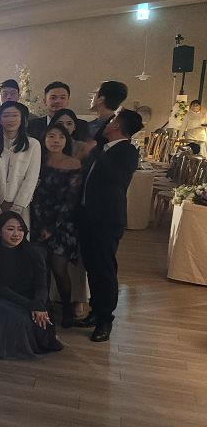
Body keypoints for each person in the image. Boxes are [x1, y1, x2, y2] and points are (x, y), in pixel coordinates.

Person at [75, 109, 142, 342]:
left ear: (118, 126)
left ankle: (105, 319)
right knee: (92, 267)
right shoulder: (104, 147)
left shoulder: (127, 151)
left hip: (107, 220)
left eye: (113, 120)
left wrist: (95, 152)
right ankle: (95, 311)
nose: (108, 122)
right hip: (88, 217)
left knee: (104, 269)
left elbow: (117, 177)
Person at [0, 212, 63, 358]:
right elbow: (1, 288)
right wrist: (29, 305)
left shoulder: (34, 252)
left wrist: (38, 304)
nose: (16, 234)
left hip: (34, 298)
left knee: (38, 313)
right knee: (4, 310)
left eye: (20, 229)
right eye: (10, 229)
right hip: (7, 298)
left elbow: (41, 285)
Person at [30, 124, 83, 328]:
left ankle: (67, 309)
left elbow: (71, 200)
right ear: (43, 139)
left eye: (61, 137)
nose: (56, 140)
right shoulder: (37, 161)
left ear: (66, 140)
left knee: (60, 269)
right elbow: (33, 195)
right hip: (37, 220)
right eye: (51, 136)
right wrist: (41, 224)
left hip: (63, 224)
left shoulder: (74, 163)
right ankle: (44, 309)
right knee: (40, 268)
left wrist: (52, 227)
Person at [0, 101, 42, 226]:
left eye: (15, 115)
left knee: (17, 236)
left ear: (22, 119)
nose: (10, 119)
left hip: (21, 206)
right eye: (6, 115)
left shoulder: (33, 144)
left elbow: (31, 178)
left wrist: (17, 208)